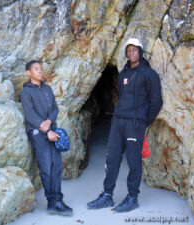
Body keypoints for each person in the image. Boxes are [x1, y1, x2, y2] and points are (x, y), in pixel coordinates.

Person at [87, 38, 163, 213]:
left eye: (134, 50)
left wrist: (145, 121)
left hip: (135, 123)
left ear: (140, 51)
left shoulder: (149, 74)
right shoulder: (123, 74)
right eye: (128, 50)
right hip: (118, 121)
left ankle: (132, 197)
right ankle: (107, 195)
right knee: (112, 158)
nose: (131, 53)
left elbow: (156, 101)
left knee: (134, 161)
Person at [21, 60, 73, 216]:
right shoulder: (26, 92)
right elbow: (30, 115)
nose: (40, 71)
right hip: (37, 133)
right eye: (36, 69)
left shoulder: (48, 89)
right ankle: (53, 201)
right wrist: (46, 130)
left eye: (41, 69)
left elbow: (55, 108)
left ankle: (57, 199)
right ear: (28, 73)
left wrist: (50, 122)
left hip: (51, 129)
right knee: (46, 168)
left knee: (56, 165)